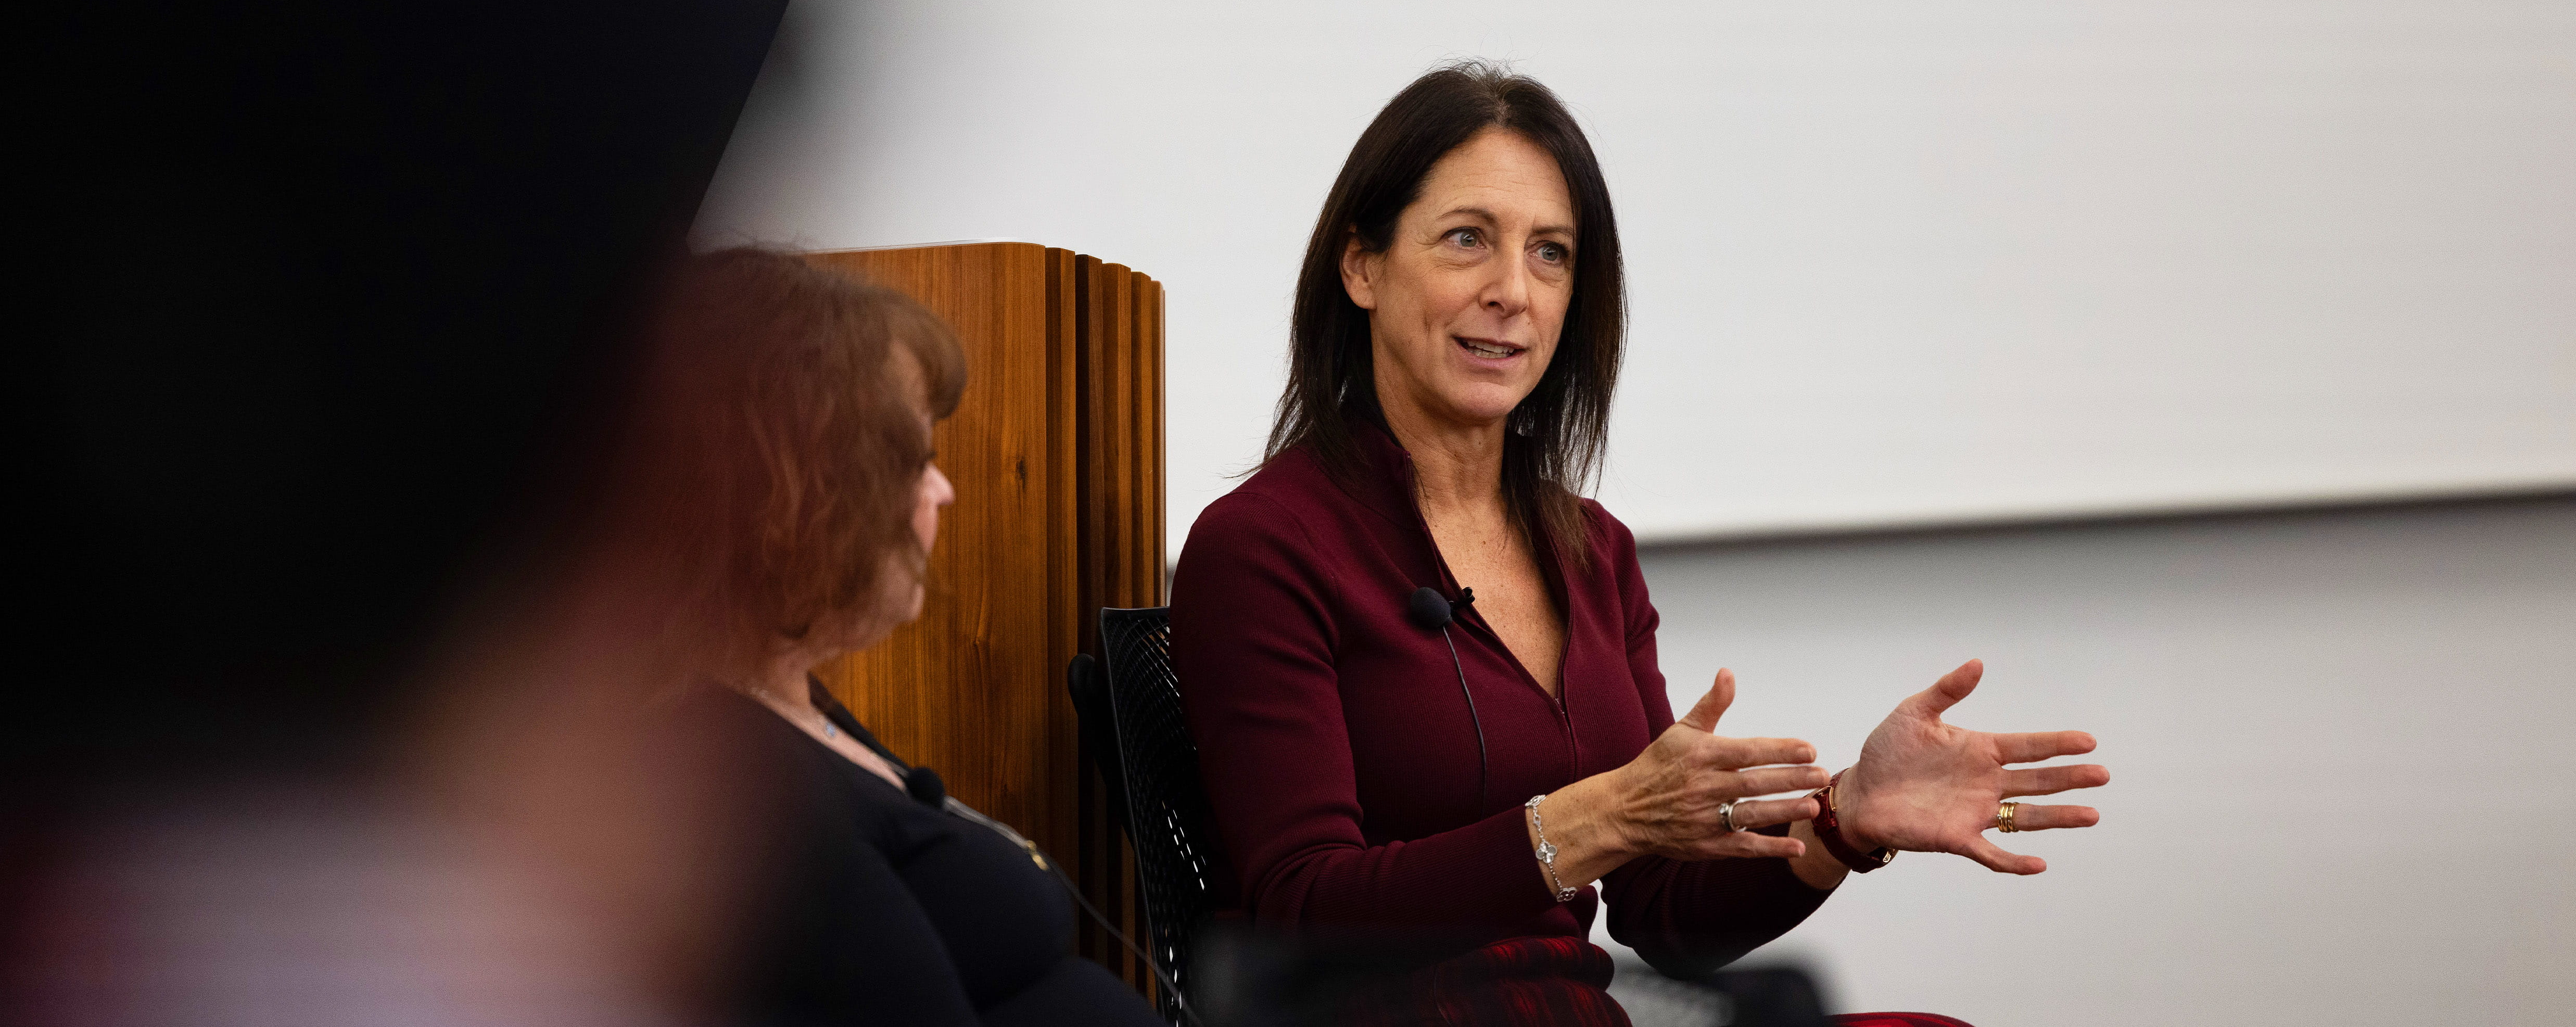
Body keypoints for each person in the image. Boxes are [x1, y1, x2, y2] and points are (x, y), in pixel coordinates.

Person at [1170, 63, 2111, 1023]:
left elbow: (1662, 915)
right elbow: (1301, 909)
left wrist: (1843, 820)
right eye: (1467, 240)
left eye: (1551, 254)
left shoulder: (1592, 551)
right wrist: (1593, 819)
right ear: (1361, 265)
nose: (1513, 292)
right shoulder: (1263, 547)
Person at [632, 249, 1168, 1026]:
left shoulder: (789, 702)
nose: (943, 489)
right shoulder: (752, 793)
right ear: (799, 496)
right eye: (916, 461)